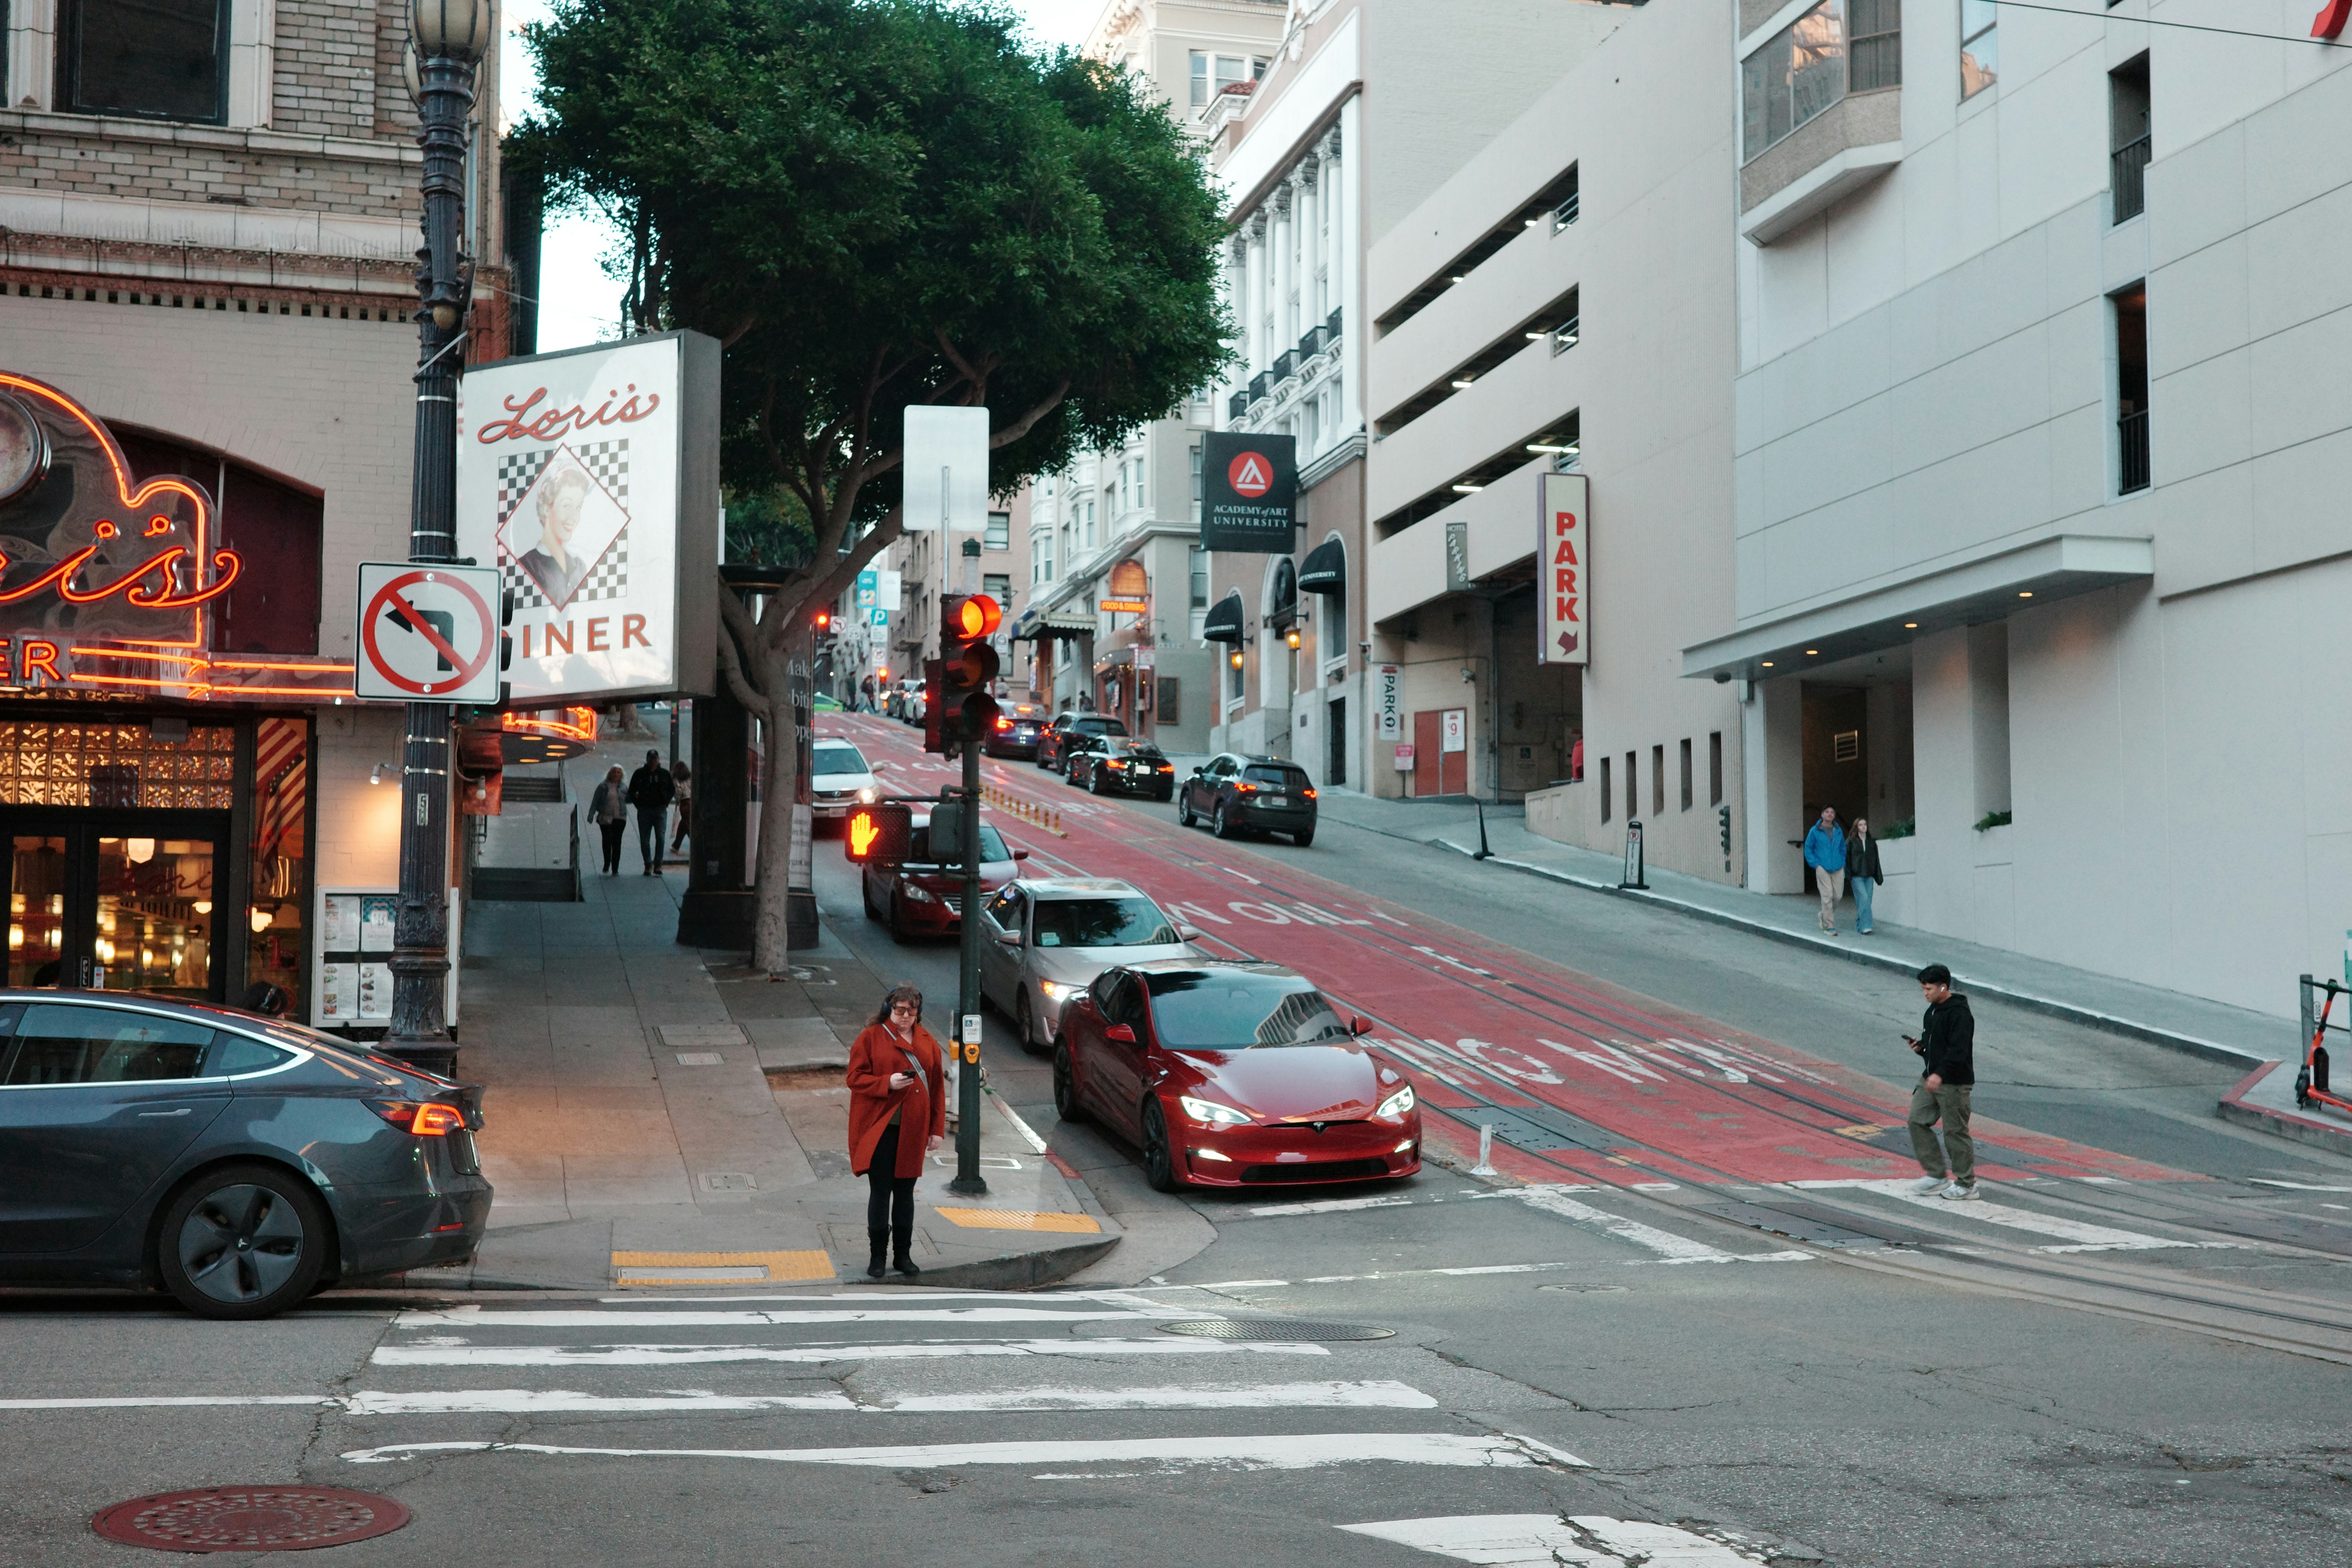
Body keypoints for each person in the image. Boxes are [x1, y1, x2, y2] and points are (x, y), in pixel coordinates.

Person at [846, 982, 945, 1278]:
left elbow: (938, 1089)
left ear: (918, 1014)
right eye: (899, 1011)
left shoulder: (928, 1043)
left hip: (913, 1129)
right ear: (889, 1009)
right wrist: (885, 1083)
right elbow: (854, 1078)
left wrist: (936, 1130)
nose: (904, 1017)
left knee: (905, 1194)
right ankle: (878, 1258)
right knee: (881, 1191)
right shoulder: (871, 1038)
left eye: (910, 1012)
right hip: (879, 1128)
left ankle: (903, 1256)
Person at [1904, 963, 1978, 1200]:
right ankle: (1936, 1175)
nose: (1925, 993)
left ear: (1943, 987)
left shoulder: (1960, 1014)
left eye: (1929, 989)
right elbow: (1933, 1042)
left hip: (1953, 1083)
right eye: (1923, 989)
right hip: (1931, 1078)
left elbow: (1959, 1051)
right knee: (1917, 1120)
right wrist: (1920, 1048)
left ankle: (1967, 1185)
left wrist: (1940, 1074)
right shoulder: (1933, 1011)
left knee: (1955, 1132)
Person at [516, 466, 594, 607]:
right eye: (567, 506)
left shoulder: (580, 567)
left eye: (578, 508)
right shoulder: (526, 566)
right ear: (547, 509)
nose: (573, 517)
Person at [626, 749, 676, 874]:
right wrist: (639, 804)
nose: (653, 761)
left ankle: (658, 864)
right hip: (645, 810)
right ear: (648, 760)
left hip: (660, 809)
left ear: (658, 760)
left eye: (655, 759)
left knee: (661, 838)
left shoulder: (664, 774)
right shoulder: (640, 774)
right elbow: (632, 791)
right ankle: (648, 864)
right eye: (651, 759)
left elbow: (672, 789)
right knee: (645, 839)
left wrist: (665, 802)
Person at [1803, 805, 1846, 934]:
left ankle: (1824, 915)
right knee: (1827, 896)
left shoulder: (1838, 830)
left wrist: (1843, 862)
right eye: (1827, 812)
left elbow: (1843, 848)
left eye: (1833, 812)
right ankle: (1829, 925)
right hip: (1822, 867)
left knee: (1838, 896)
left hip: (1838, 867)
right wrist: (1816, 864)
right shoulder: (1815, 831)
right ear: (1822, 815)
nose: (1830, 814)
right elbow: (1808, 848)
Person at [1846, 816, 1884, 936]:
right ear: (1856, 827)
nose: (1864, 827)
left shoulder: (1871, 842)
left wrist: (1878, 876)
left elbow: (1876, 860)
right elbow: (1847, 859)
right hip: (1856, 876)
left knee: (1867, 901)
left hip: (1869, 875)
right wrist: (1848, 875)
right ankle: (1867, 926)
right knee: (1864, 899)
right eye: (1861, 825)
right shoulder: (1851, 841)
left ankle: (1860, 924)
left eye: (1865, 825)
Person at [590, 765, 628, 875]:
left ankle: (615, 868)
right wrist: (591, 815)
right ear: (610, 774)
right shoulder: (603, 787)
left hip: (620, 818)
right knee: (607, 841)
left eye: (619, 773)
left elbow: (629, 799)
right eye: (615, 772)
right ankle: (607, 863)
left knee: (617, 842)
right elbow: (595, 801)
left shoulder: (624, 788)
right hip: (605, 817)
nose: (616, 774)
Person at [668, 760, 693, 853]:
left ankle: (677, 846)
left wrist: (678, 800)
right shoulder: (690, 777)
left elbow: (678, 793)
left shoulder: (676, 780)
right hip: (692, 801)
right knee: (685, 824)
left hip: (684, 803)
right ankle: (676, 846)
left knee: (686, 824)